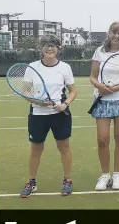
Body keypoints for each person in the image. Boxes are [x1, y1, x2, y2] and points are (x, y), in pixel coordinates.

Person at [19, 35, 77, 197]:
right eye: (46, 45)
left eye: (53, 45)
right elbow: (25, 92)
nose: (49, 48)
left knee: (63, 147)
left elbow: (73, 91)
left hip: (60, 115)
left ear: (59, 48)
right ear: (41, 49)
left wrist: (65, 104)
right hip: (38, 115)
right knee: (36, 149)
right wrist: (37, 102)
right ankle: (31, 182)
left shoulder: (64, 67)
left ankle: (67, 180)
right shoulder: (32, 67)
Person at [89, 21, 119, 191]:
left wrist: (115, 89)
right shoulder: (99, 51)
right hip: (102, 100)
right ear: (108, 33)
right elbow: (93, 77)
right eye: (114, 32)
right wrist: (100, 86)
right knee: (102, 139)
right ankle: (105, 175)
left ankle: (117, 174)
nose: (116, 36)